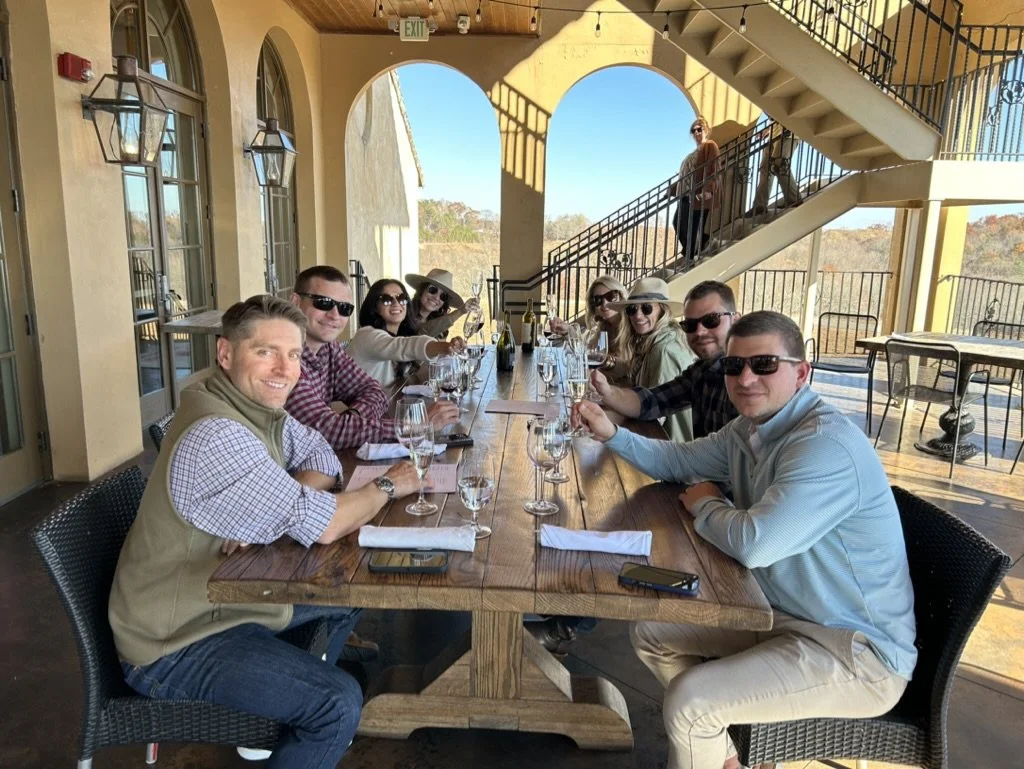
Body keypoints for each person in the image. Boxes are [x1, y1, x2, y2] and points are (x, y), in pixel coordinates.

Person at [575, 310, 917, 769]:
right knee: (653, 631)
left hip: (855, 651)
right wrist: (611, 433)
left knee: (691, 702)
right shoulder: (751, 429)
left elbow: (757, 544)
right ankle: (722, 756)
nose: (746, 378)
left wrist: (706, 504)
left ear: (802, 372)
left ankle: (703, 731)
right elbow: (678, 461)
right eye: (734, 367)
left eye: (765, 365)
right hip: (783, 616)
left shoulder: (824, 446)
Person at [109, 295, 422, 769]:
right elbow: (330, 523)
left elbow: (321, 457)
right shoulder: (217, 433)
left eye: (294, 354)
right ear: (226, 354)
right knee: (336, 703)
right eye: (266, 352)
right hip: (174, 642)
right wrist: (389, 484)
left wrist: (279, 504)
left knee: (351, 589)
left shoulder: (253, 407)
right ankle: (302, 709)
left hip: (226, 603)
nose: (284, 368)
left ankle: (285, 700)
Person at [286, 265, 458, 449]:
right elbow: (328, 431)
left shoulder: (328, 348)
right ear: (295, 301)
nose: (334, 315)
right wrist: (415, 427)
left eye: (344, 308)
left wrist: (351, 420)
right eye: (323, 302)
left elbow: (375, 391)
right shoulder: (286, 358)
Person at [592, 280, 740, 440]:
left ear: (735, 320)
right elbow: (652, 401)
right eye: (690, 325)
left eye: (711, 320)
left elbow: (656, 420)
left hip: (673, 445)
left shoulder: (665, 350)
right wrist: (606, 392)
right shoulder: (701, 371)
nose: (700, 331)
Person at [606, 277, 695, 443]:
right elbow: (630, 375)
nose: (638, 315)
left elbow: (654, 411)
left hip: (670, 447)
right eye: (632, 309)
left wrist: (605, 418)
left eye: (646, 308)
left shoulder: (664, 350)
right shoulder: (653, 341)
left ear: (662, 310)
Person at [347, 278, 465, 387]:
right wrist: (444, 347)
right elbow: (404, 347)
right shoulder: (366, 336)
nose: (396, 303)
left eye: (401, 298)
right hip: (360, 408)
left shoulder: (402, 333)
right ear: (374, 306)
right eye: (386, 300)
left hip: (387, 403)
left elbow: (414, 368)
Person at [549, 275, 629, 382]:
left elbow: (630, 369)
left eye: (610, 296)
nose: (605, 304)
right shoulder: (604, 328)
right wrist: (568, 330)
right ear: (593, 307)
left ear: (621, 297)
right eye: (598, 300)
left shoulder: (632, 325)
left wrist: (605, 360)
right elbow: (587, 348)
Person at [672, 116, 721, 263]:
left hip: (699, 195)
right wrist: (671, 190)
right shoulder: (693, 153)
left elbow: (714, 168)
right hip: (685, 195)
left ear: (706, 130)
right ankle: (705, 242)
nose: (696, 133)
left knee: (692, 228)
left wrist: (709, 190)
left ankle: (689, 258)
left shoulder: (710, 146)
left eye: (699, 129)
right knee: (677, 223)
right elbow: (684, 176)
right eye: (693, 131)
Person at [406, 268, 481, 339]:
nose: (436, 297)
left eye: (443, 296)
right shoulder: (403, 315)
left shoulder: (439, 324)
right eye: (433, 290)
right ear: (421, 290)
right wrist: (460, 311)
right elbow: (420, 337)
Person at [752, 121, 802, 216]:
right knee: (765, 168)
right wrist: (768, 129)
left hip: (789, 134)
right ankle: (759, 206)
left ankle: (794, 199)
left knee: (779, 164)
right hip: (774, 135)